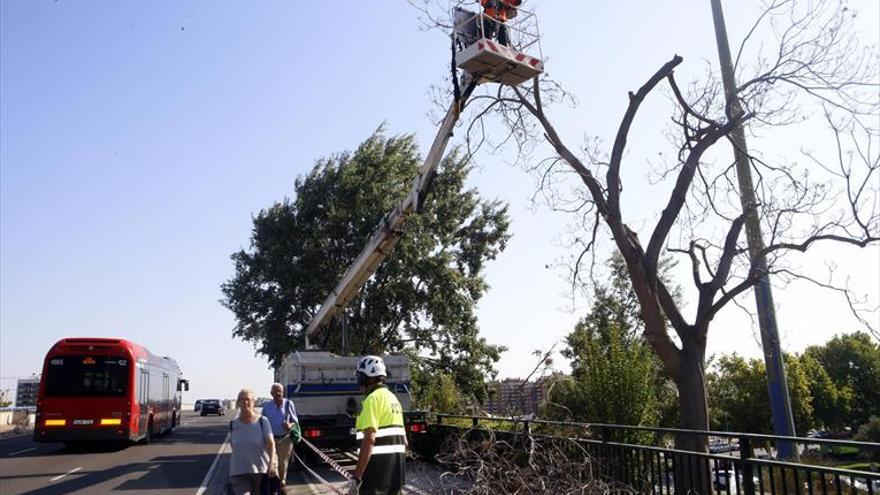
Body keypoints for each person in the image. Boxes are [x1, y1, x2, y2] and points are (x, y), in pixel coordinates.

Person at [349, 355, 406, 495]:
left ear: (366, 377)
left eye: (359, 377)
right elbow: (404, 441)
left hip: (375, 479)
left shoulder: (371, 400)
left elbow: (369, 440)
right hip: (396, 477)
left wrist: (356, 476)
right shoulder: (393, 399)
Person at [228, 388, 278, 495]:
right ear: (238, 403)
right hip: (238, 471)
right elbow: (233, 447)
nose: (245, 402)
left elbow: (270, 443)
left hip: (260, 471)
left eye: (248, 399)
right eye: (242, 399)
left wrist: (272, 463)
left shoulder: (262, 421)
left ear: (253, 402)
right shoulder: (233, 424)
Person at [261, 382, 299, 489]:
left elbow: (295, 422)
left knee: (283, 464)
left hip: (285, 439)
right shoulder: (266, 407)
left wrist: (289, 425)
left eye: (280, 391)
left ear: (283, 392)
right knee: (273, 463)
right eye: (275, 391)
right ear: (271, 393)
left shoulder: (288, 404)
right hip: (271, 440)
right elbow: (262, 423)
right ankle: (276, 485)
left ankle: (282, 483)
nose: (278, 393)